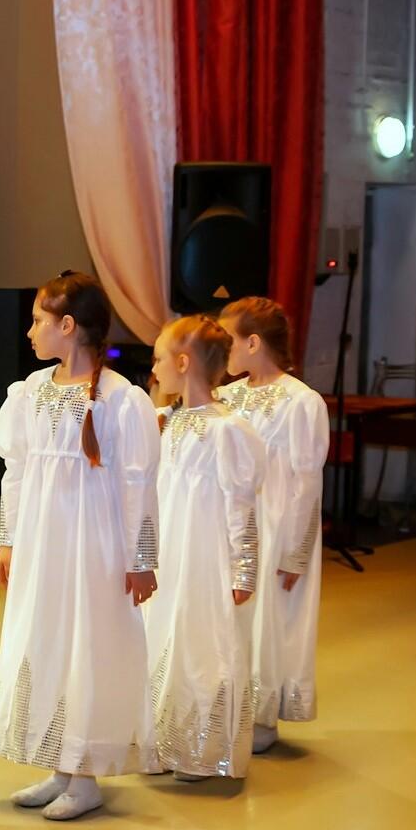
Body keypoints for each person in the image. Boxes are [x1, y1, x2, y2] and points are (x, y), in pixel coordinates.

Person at [0, 271, 160, 822]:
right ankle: (59, 762)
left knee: (86, 643)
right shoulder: (31, 393)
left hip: (91, 544)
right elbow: (14, 473)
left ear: (68, 326)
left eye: (39, 320)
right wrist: (9, 540)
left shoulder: (120, 400)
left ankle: (85, 774)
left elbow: (139, 483)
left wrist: (141, 558)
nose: (30, 330)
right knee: (50, 640)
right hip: (43, 543)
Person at [144, 315, 266, 781]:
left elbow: (241, 505)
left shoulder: (227, 429)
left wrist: (243, 569)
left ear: (182, 362)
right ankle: (164, 737)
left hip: (205, 556)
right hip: (170, 551)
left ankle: (202, 746)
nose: (153, 369)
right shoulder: (167, 422)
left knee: (202, 647)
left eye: (158, 358)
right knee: (164, 640)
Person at [216, 297, 329, 753]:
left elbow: (306, 480)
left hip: (275, 521)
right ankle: (223, 704)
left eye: (228, 340)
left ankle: (261, 715)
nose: (222, 349)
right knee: (228, 614)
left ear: (253, 342)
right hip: (232, 521)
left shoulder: (302, 402)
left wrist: (295, 551)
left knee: (268, 619)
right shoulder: (226, 396)